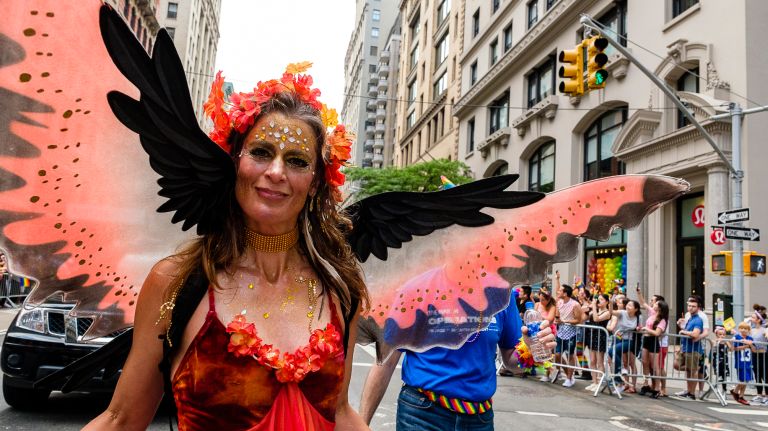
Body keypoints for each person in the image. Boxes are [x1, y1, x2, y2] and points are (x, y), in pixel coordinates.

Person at [84, 67, 370, 430]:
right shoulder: (175, 283)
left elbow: (340, 411)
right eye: (261, 152)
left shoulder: (341, 290)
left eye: (297, 161)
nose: (276, 172)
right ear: (235, 162)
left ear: (315, 182)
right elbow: (121, 419)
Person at [358, 299, 555, 430]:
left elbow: (511, 361)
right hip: (422, 414)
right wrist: (361, 424)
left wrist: (531, 349)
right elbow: (385, 361)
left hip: (479, 419)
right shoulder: (422, 285)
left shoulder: (503, 293)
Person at [553, 271, 584, 388]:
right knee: (557, 355)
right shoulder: (560, 302)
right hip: (560, 332)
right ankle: (567, 375)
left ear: (565, 293)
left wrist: (565, 321)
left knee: (570, 356)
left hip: (571, 334)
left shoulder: (575, 304)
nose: (558, 292)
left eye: (561, 291)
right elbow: (557, 291)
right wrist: (557, 279)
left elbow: (578, 320)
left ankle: (570, 378)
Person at [608, 297, 641, 394]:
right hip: (619, 339)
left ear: (636, 309)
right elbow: (611, 312)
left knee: (629, 361)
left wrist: (639, 328)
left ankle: (629, 383)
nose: (628, 306)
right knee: (612, 355)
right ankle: (620, 382)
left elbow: (640, 327)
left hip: (630, 341)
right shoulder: (622, 313)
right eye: (627, 305)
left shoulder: (638, 317)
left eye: (630, 305)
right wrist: (610, 303)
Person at [638, 300, 668, 399]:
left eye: (656, 304)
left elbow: (657, 333)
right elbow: (643, 303)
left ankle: (657, 388)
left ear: (659, 307)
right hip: (646, 339)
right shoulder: (652, 314)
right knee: (645, 362)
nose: (653, 304)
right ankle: (645, 383)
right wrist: (641, 328)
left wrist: (646, 329)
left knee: (655, 366)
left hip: (653, 341)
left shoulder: (662, 320)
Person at [677, 296, 705, 401]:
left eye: (693, 306)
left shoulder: (698, 320)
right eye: (689, 306)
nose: (690, 308)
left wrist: (684, 332)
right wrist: (681, 327)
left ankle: (692, 393)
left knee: (692, 371)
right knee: (680, 367)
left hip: (693, 350)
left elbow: (695, 334)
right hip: (685, 348)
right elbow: (687, 331)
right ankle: (689, 391)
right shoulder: (690, 318)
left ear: (698, 308)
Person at [585, 294, 611, 391]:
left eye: (601, 299)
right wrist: (589, 307)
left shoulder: (607, 313)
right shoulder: (594, 310)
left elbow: (596, 319)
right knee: (592, 361)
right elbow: (585, 317)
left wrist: (594, 307)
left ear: (607, 302)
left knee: (600, 361)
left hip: (601, 337)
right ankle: (594, 381)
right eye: (598, 299)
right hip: (592, 336)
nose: (599, 301)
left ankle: (600, 382)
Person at [730, 321, 756, 405]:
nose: (743, 330)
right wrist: (746, 345)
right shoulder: (737, 337)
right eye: (741, 328)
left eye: (745, 328)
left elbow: (754, 350)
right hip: (740, 362)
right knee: (743, 379)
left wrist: (750, 345)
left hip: (748, 362)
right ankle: (737, 393)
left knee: (746, 380)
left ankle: (739, 394)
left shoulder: (750, 338)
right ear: (739, 329)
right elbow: (734, 348)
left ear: (748, 330)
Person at [748, 304, 768, 404]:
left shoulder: (765, 330)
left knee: (766, 375)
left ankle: (767, 396)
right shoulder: (751, 330)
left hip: (764, 355)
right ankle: (759, 394)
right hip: (754, 354)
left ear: (758, 320)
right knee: (757, 374)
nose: (751, 319)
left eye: (753, 317)